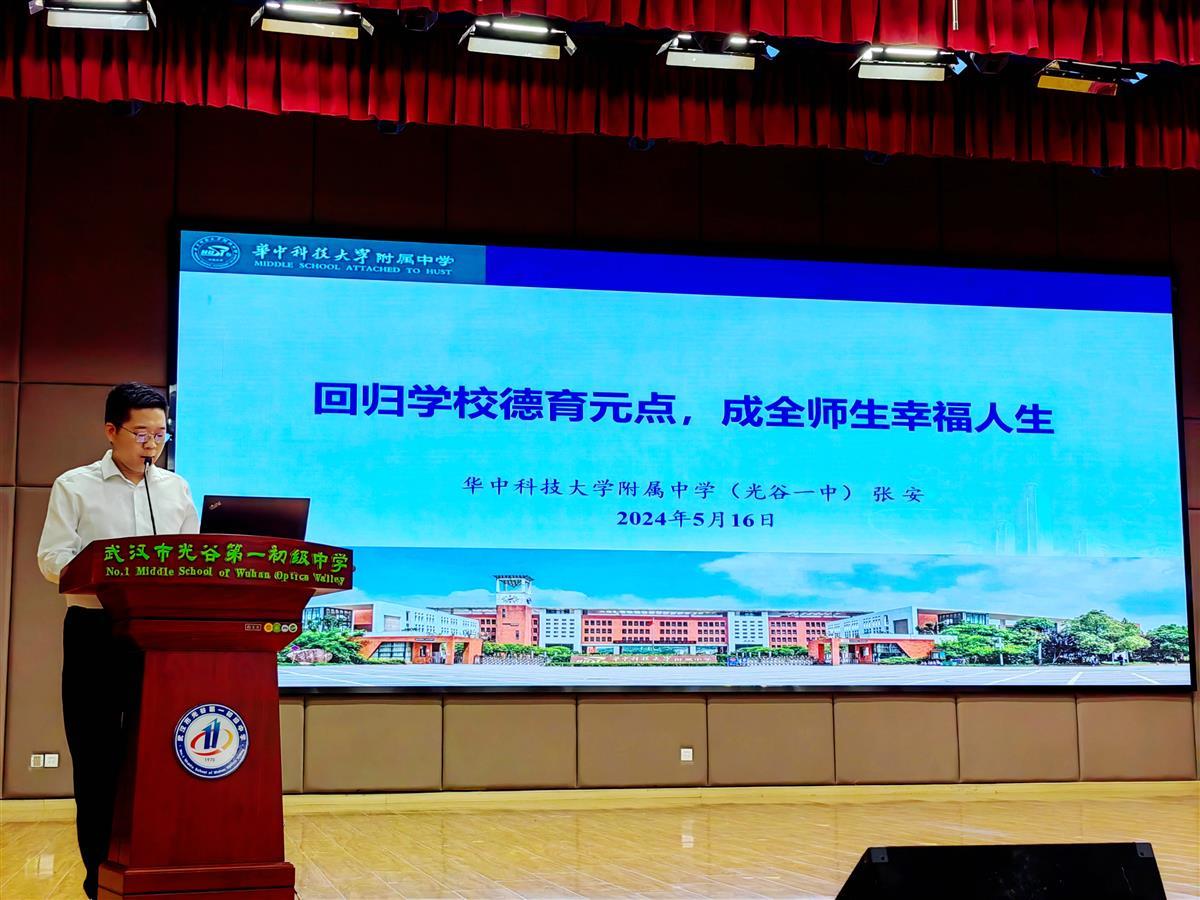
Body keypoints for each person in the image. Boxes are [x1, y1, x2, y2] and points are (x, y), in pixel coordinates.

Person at [36, 383, 199, 900]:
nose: (153, 443)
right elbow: (52, 559)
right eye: (141, 433)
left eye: (161, 433)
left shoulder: (175, 489)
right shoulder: (75, 486)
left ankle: (157, 869)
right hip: (95, 634)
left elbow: (191, 560)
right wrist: (108, 570)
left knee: (161, 755)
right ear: (112, 431)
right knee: (97, 759)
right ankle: (99, 878)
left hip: (159, 638)